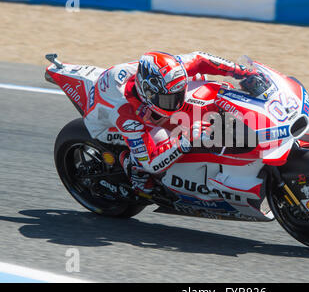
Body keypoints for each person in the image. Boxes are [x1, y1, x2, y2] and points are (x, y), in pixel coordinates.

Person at [83, 51, 257, 195]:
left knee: (203, 82)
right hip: (105, 125)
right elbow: (150, 161)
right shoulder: (125, 114)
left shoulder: (168, 72)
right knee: (160, 139)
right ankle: (135, 172)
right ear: (148, 94)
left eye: (178, 96)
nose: (176, 103)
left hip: (134, 97)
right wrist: (186, 140)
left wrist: (243, 72)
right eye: (169, 100)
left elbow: (201, 59)